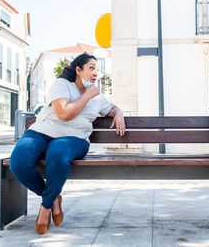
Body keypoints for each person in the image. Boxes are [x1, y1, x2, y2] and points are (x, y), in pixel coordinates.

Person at [9, 53, 126, 234]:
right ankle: (53, 198)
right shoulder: (62, 85)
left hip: (75, 138)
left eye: (98, 69)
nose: (96, 73)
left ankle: (45, 208)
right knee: (18, 162)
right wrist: (87, 95)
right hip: (42, 132)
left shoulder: (98, 97)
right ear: (78, 70)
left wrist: (118, 113)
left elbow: (112, 108)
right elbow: (64, 114)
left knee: (57, 153)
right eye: (91, 68)